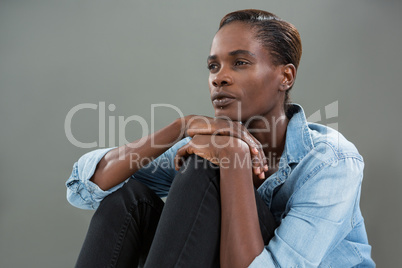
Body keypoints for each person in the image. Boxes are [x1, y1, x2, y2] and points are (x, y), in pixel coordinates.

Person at [66, 9, 375, 267]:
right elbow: (86, 187)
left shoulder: (331, 162)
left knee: (204, 167)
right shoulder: (209, 142)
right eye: (213, 66)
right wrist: (182, 127)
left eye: (240, 62)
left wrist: (234, 157)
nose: (219, 77)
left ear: (285, 77)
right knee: (129, 198)